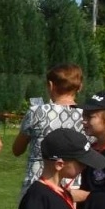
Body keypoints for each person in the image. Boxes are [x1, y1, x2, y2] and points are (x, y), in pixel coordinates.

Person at [12, 63, 85, 194]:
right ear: (80, 87)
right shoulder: (87, 116)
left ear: (50, 85)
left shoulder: (37, 112)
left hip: (38, 183)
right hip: (72, 186)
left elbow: (17, 149)